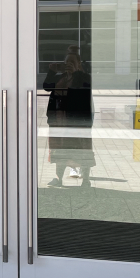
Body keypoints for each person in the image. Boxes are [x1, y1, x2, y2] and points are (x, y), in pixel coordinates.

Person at [42, 47, 95, 187]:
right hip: (58, 119)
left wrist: (75, 73)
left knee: (82, 148)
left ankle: (86, 180)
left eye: (72, 62)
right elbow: (47, 86)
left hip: (77, 120)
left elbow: (80, 91)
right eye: (66, 62)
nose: (68, 65)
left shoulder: (84, 78)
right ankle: (58, 178)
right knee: (60, 148)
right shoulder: (61, 77)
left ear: (79, 64)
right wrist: (52, 71)